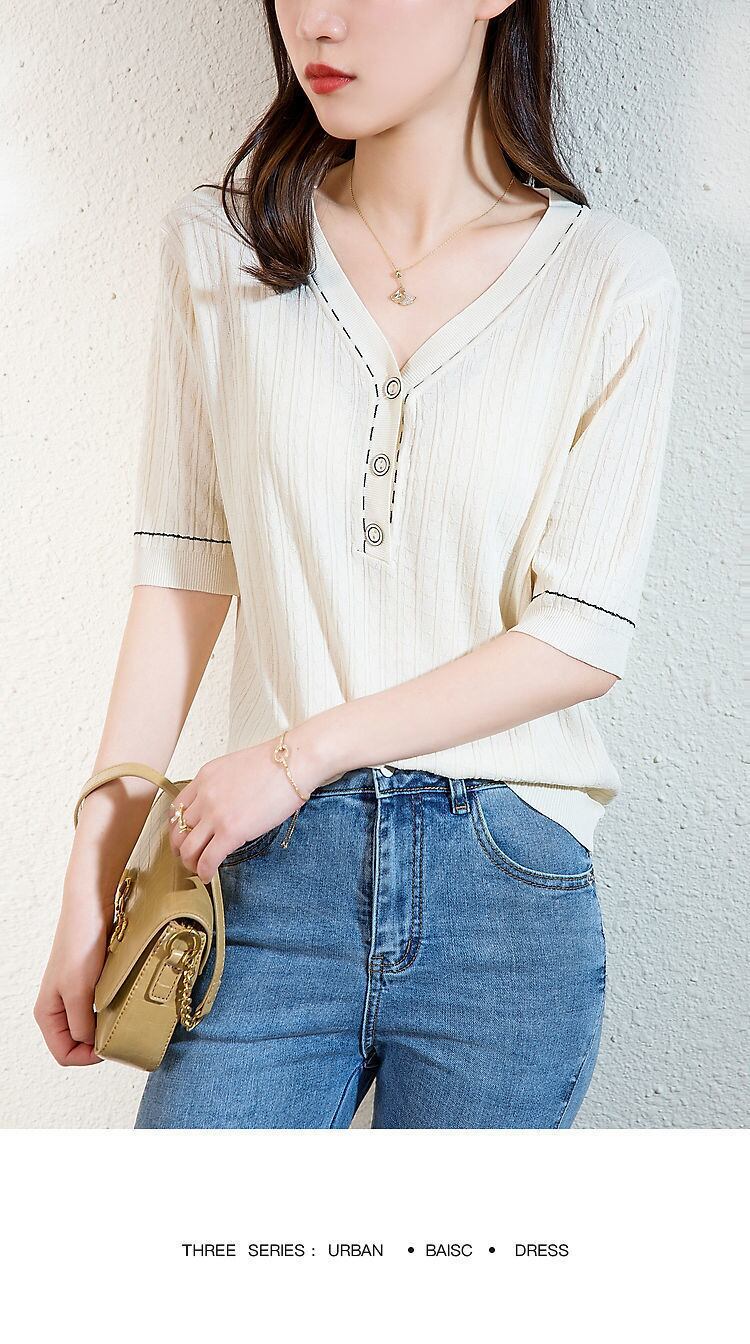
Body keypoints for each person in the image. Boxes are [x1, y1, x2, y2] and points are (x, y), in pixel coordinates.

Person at [34, 1, 682, 1128]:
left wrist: (300, 755)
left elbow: (580, 636)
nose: (316, 23)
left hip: (506, 892)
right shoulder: (220, 246)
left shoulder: (613, 283)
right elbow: (182, 575)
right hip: (264, 876)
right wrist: (96, 872)